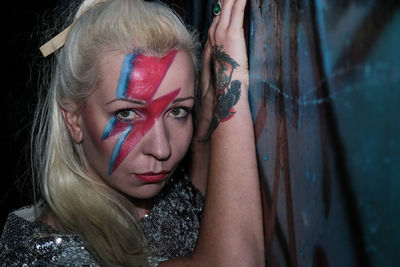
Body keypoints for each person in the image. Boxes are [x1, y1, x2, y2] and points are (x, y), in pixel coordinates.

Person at [0, 0, 264, 266]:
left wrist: (207, 120)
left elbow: (194, 204)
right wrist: (232, 82)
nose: (162, 149)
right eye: (126, 114)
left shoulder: (163, 192)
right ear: (74, 120)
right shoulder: (51, 257)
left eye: (178, 111)